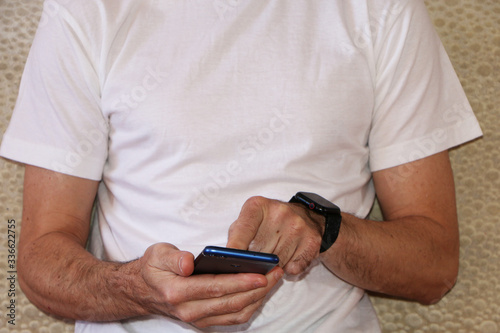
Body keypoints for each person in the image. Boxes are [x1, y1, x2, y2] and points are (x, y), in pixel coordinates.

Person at [0, 0, 482, 332]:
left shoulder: (382, 11)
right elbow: (36, 257)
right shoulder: (87, 11)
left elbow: (434, 266)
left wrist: (323, 229)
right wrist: (135, 289)